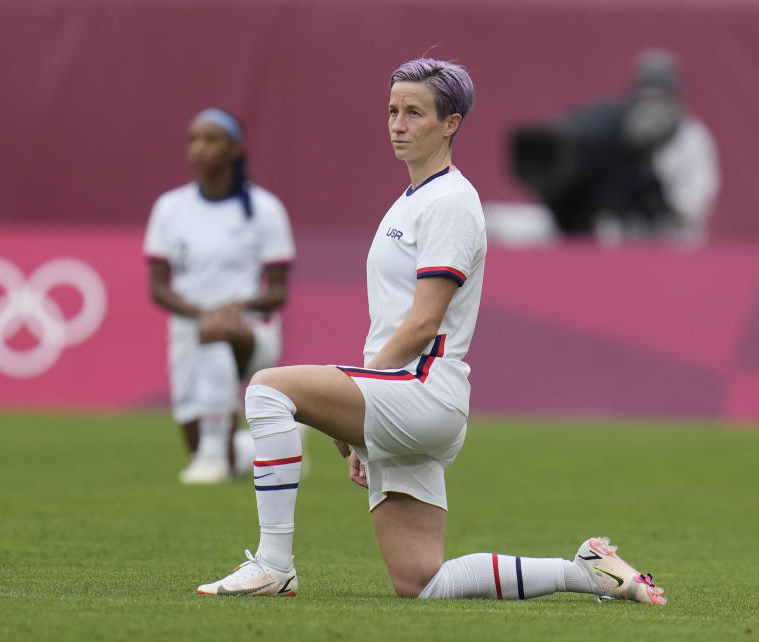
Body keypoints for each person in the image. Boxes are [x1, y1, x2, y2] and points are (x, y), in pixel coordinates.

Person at [196, 58, 666, 605]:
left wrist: (356, 406)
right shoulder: (415, 200)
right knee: (421, 582)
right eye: (393, 111)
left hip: (421, 389)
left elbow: (422, 322)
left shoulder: (450, 202)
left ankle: (274, 564)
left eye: (415, 112)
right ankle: (586, 571)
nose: (398, 123)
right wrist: (364, 415)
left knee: (268, 388)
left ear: (452, 123)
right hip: (407, 396)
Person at [143, 108, 296, 484]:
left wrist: (235, 309)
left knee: (215, 330)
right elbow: (158, 287)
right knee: (211, 454)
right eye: (193, 139)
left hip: (249, 332)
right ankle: (242, 450)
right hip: (188, 330)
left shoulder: (265, 209)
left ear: (235, 149)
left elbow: (277, 291)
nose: (199, 149)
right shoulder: (170, 208)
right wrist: (200, 312)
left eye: (211, 140)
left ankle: (213, 455)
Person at [510, 49, 718, 244]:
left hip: (673, 241)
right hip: (617, 237)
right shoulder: (617, 132)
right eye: (647, 97)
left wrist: (655, 198)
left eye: (660, 98)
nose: (653, 108)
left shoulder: (692, 136)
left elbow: (693, 200)